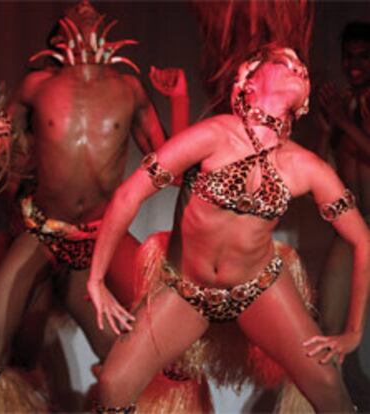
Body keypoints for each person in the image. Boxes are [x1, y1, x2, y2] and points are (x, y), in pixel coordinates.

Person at [87, 44, 370, 413]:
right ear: (247, 80)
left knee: (329, 385)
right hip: (188, 290)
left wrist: (354, 332)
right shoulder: (213, 134)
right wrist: (95, 278)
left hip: (259, 289)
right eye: (284, 62)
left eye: (302, 68)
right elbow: (129, 194)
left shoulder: (307, 167)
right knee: (112, 384)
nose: (297, 68)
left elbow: (363, 240)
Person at [0, 1, 174, 409]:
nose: (86, 6)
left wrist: (178, 98)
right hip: (43, 233)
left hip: (99, 240)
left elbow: (171, 165)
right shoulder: (37, 86)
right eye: (77, 9)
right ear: (59, 38)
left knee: (132, 355)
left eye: (92, 7)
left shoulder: (129, 89)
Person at [316, 21, 370, 411]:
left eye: (363, 56)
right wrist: (325, 128)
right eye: (348, 56)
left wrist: (342, 122)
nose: (353, 64)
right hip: (354, 230)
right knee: (329, 332)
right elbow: (322, 170)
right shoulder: (343, 106)